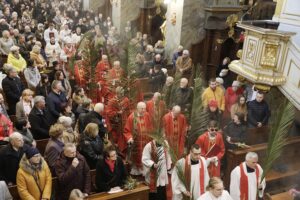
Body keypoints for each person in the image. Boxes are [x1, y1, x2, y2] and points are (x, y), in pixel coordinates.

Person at [122, 101, 153, 175]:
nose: (144, 110)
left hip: (146, 142)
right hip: (136, 143)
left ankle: (145, 172)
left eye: (145, 108)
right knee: (137, 157)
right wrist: (129, 138)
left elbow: (151, 127)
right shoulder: (132, 117)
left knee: (146, 155)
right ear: (137, 108)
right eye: (142, 109)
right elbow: (127, 130)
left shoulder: (147, 115)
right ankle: (137, 171)